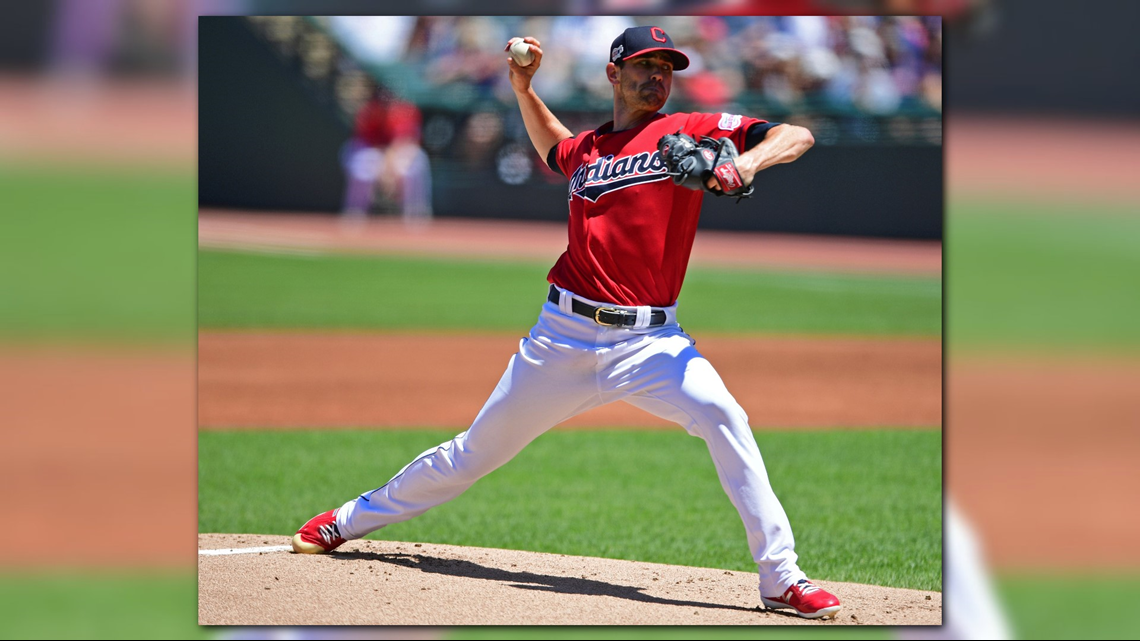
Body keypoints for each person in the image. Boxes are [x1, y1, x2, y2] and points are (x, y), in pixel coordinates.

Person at [294, 26, 839, 620]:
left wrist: (748, 162)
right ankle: (345, 521)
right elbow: (556, 145)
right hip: (561, 338)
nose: (658, 76)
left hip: (651, 342)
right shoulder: (588, 152)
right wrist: (522, 87)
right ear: (613, 74)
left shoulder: (688, 130)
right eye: (644, 65)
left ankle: (781, 578)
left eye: (667, 67)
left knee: (724, 416)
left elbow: (797, 133)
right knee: (472, 454)